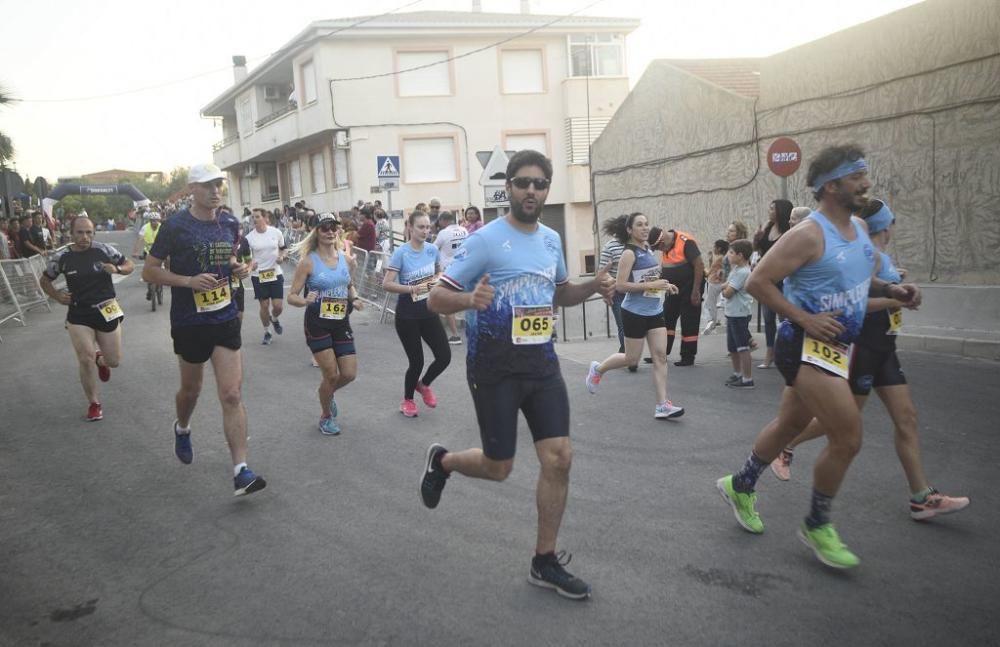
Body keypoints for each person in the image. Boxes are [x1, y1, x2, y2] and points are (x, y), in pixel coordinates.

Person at [421, 150, 616, 600]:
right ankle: (443, 461)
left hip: (541, 365)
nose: (532, 190)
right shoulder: (485, 240)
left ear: (548, 190)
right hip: (494, 369)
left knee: (559, 457)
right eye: (524, 182)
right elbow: (435, 298)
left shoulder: (550, 239)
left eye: (540, 184)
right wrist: (470, 301)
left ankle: (544, 560)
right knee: (499, 466)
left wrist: (594, 286)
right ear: (507, 187)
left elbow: (561, 292)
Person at [715, 144, 921, 569]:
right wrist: (806, 319)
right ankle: (816, 523)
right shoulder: (808, 233)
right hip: (803, 345)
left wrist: (894, 290)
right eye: (856, 177)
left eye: (865, 173)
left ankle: (741, 483)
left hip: (838, 346)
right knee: (848, 435)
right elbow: (758, 282)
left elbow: (863, 283)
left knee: (790, 424)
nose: (866, 183)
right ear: (831, 186)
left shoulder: (860, 228)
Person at [770, 199, 968, 519]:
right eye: (890, 224)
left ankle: (921, 496)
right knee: (844, 425)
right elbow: (858, 297)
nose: (891, 230)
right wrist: (893, 295)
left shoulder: (878, 257)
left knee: (907, 418)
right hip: (862, 346)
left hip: (885, 347)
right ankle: (787, 444)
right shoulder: (867, 255)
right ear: (884, 226)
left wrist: (896, 288)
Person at [143, 163, 267, 497]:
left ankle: (241, 471)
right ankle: (182, 427)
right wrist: (187, 281)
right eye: (209, 185)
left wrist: (237, 268)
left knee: (231, 393)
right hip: (189, 320)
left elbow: (227, 258)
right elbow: (149, 272)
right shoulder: (174, 227)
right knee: (191, 390)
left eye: (219, 185)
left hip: (224, 315)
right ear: (192, 190)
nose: (216, 191)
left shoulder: (228, 222)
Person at [585, 213, 684, 419]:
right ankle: (598, 369)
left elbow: (651, 278)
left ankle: (662, 405)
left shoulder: (647, 249)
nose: (645, 228)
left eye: (647, 224)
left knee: (660, 356)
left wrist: (665, 285)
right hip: (634, 312)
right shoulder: (628, 254)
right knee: (631, 359)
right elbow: (621, 286)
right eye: (640, 225)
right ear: (629, 230)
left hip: (655, 310)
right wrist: (651, 285)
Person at [39, 216, 134, 421]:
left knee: (114, 361)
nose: (85, 237)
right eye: (80, 232)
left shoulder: (104, 250)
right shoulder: (61, 257)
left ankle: (102, 360)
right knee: (85, 358)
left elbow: (129, 265)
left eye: (89, 232)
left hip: (107, 309)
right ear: (71, 234)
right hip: (79, 313)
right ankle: (94, 403)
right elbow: (45, 280)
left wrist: (117, 269)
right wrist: (57, 296)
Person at [287, 213, 360, 435]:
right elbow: (292, 295)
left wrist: (354, 299)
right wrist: (303, 300)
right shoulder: (308, 261)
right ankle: (325, 417)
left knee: (348, 374)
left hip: (341, 321)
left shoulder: (346, 260)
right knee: (330, 374)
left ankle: (327, 394)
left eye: (333, 228)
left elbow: (349, 285)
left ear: (338, 230)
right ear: (316, 232)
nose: (329, 232)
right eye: (324, 228)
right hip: (317, 322)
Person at [382, 211, 452, 417]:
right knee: (417, 362)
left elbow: (439, 272)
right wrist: (410, 289)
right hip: (407, 316)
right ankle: (408, 400)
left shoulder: (432, 250)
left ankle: (424, 385)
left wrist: (438, 278)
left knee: (444, 357)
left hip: (429, 311)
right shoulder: (401, 253)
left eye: (428, 227)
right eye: (420, 227)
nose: (425, 231)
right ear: (410, 228)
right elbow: (387, 284)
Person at [657, 227, 705, 366]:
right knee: (666, 318)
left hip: (690, 287)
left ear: (663, 240)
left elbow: (699, 264)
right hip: (674, 289)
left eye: (659, 247)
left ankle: (688, 356)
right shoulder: (666, 246)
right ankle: (662, 353)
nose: (660, 250)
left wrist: (696, 291)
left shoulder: (685, 241)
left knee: (689, 321)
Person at [754, 199, 793, 369]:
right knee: (768, 318)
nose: (769, 211)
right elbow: (758, 250)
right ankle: (770, 353)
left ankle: (785, 352)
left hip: (782, 279)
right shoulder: (768, 228)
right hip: (767, 280)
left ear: (781, 211)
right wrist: (757, 239)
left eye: (772, 208)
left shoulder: (789, 231)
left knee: (784, 318)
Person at [246, 208, 287, 345]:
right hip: (259, 275)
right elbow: (247, 257)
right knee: (264, 305)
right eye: (253, 217)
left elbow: (283, 248)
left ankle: (274, 319)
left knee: (278, 306)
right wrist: (251, 265)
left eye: (257, 216)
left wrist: (282, 256)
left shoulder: (276, 232)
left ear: (265, 218)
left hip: (275, 272)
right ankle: (267, 332)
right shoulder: (249, 238)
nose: (254, 219)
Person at [721, 239, 755, 388]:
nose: (728, 255)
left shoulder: (743, 272)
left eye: (731, 252)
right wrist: (725, 286)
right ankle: (737, 373)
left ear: (740, 255)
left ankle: (747, 379)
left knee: (742, 347)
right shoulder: (736, 269)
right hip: (732, 313)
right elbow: (726, 285)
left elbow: (728, 292)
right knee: (733, 347)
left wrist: (723, 290)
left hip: (739, 314)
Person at [432, 210, 468, 344]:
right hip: (464, 267)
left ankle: (455, 335)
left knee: (446, 302)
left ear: (443, 221)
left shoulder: (443, 233)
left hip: (448, 271)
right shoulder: (464, 230)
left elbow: (433, 248)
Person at [598, 218, 628, 363]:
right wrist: (612, 281)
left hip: (637, 292)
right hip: (618, 293)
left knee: (635, 326)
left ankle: (625, 351)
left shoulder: (637, 245)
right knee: (623, 325)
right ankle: (628, 355)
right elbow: (602, 271)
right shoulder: (610, 247)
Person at [702, 239, 729, 335]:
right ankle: (715, 320)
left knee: (710, 304)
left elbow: (719, 270)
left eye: (714, 247)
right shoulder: (720, 258)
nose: (713, 248)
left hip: (715, 283)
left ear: (719, 248)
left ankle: (712, 322)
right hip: (714, 282)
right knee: (712, 303)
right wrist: (710, 260)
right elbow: (713, 269)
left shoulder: (721, 258)